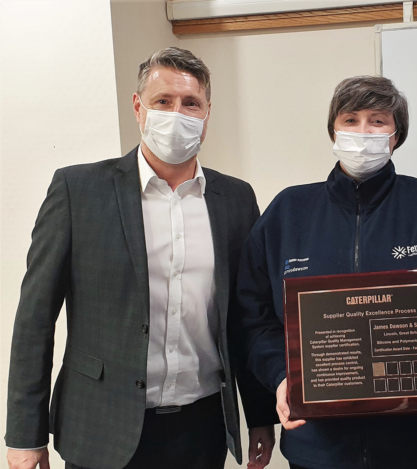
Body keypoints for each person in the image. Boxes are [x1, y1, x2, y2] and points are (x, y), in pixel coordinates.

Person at [5, 47, 277, 469]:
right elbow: (34, 319)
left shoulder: (236, 200)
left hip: (201, 429)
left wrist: (260, 415)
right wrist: (25, 436)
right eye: (163, 101)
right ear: (138, 107)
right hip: (100, 427)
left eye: (191, 103)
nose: (177, 113)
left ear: (207, 114)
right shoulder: (79, 191)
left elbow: (245, 317)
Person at [235, 76, 417, 469]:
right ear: (333, 130)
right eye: (350, 119)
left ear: (397, 134)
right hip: (319, 448)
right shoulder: (288, 213)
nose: (363, 132)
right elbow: (255, 318)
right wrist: (281, 377)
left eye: (377, 121)